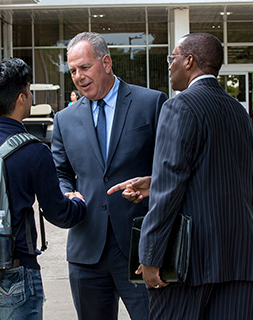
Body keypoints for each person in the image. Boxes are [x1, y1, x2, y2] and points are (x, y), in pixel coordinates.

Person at [108, 33, 253, 319]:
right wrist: (154, 182)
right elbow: (228, 174)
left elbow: (170, 189)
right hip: (240, 257)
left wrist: (149, 255)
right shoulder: (239, 112)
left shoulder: (179, 106)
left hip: (190, 262)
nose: (170, 66)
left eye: (171, 58)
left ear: (189, 61)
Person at [0, 58, 87, 320]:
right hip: (16, 268)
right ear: (22, 97)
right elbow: (58, 212)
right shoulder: (34, 150)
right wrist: (78, 203)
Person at [51, 32, 167, 320]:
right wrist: (66, 191)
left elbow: (171, 167)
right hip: (86, 250)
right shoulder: (64, 119)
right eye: (73, 70)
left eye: (85, 67)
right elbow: (60, 171)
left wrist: (152, 184)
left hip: (141, 249)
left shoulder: (151, 104)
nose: (78, 76)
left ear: (106, 62)